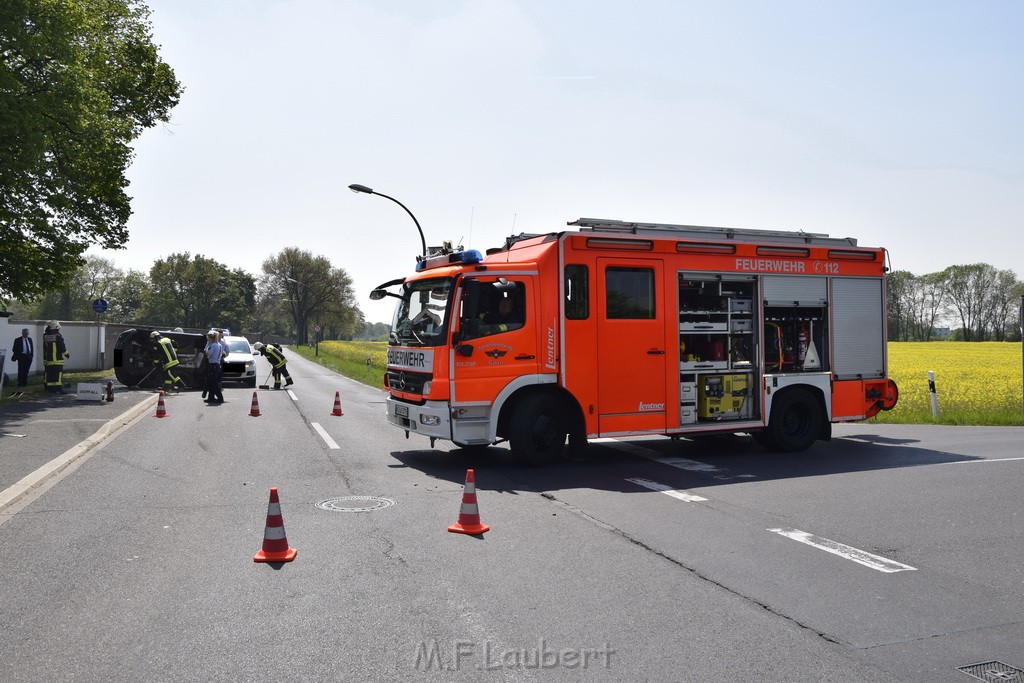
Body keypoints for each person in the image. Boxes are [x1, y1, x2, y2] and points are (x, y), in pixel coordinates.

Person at [42, 321, 69, 393]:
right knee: (58, 376)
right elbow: (62, 347)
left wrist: (45, 360)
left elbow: (45, 349)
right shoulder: (58, 336)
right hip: (57, 360)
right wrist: (67, 354)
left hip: (49, 361)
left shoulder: (45, 336)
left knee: (50, 375)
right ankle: (59, 389)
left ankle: (50, 389)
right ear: (56, 328)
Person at [203, 329, 225, 404]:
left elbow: (208, 353)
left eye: (208, 338)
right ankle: (211, 397)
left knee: (213, 382)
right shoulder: (219, 345)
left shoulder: (212, 345)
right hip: (217, 364)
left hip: (213, 364)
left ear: (211, 338)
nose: (207, 339)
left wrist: (206, 350)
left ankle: (220, 398)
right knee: (211, 382)